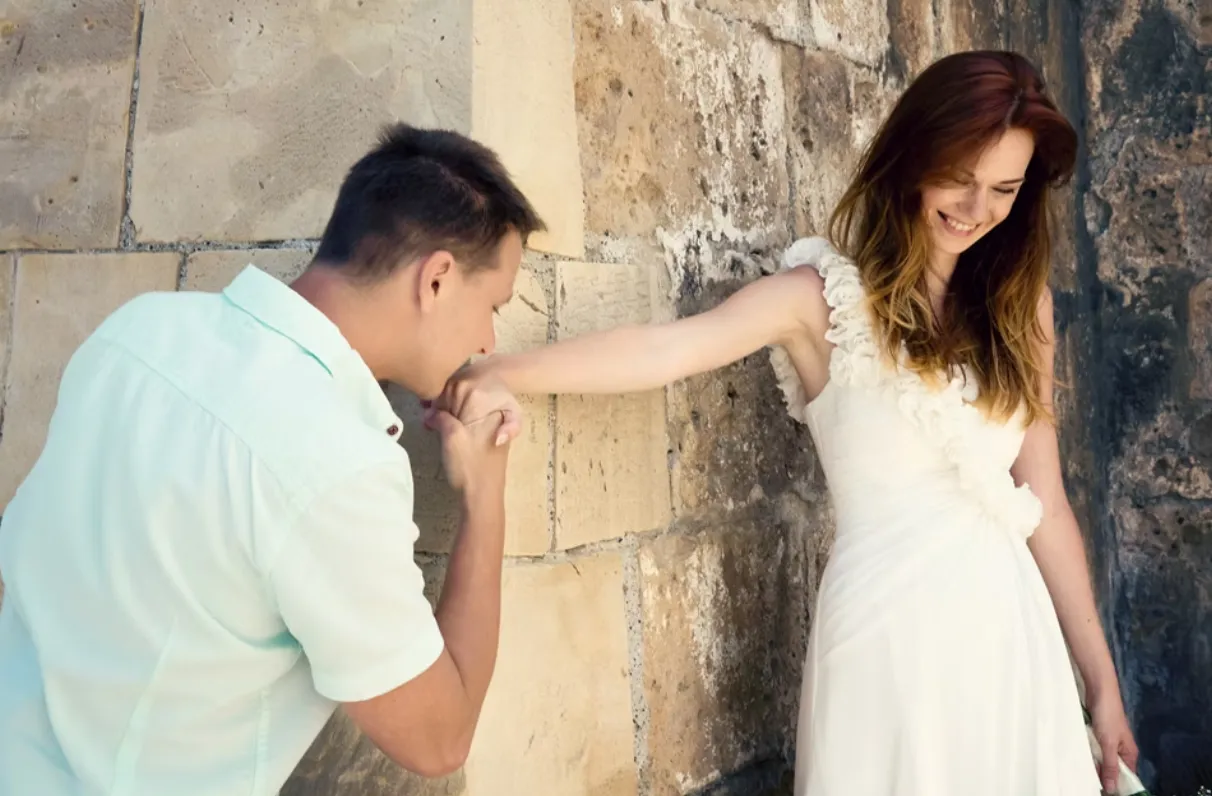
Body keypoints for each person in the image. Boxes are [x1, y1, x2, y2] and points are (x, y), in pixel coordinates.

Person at [435, 51, 1140, 795]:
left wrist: (1101, 683)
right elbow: (665, 349)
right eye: (960, 177)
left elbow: (1046, 501)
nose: (975, 207)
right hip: (885, 643)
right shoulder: (820, 299)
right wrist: (503, 370)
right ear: (913, 156)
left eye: (1003, 189)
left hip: (1010, 643)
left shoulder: (1021, 310)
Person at [0, 124, 540, 794]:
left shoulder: (137, 330)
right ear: (435, 279)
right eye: (492, 305)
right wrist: (485, 498)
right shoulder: (336, 462)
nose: (488, 339)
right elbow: (438, 738)